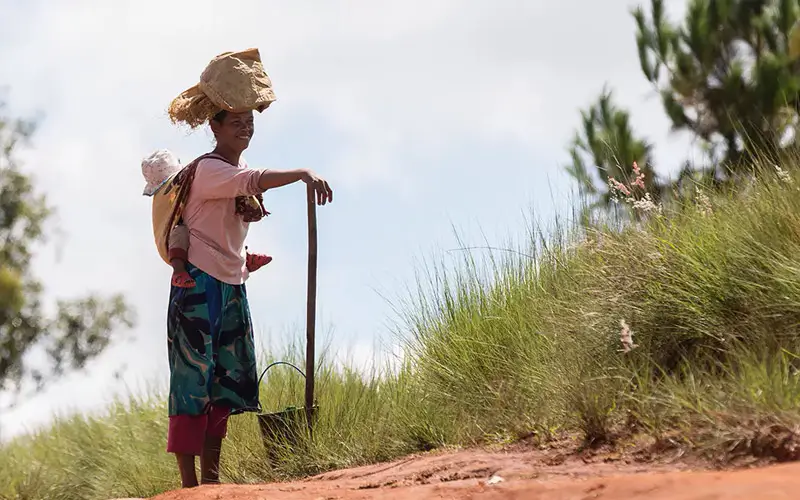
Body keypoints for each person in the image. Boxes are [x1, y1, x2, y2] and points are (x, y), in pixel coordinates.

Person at [165, 108, 333, 488]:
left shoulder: (233, 173)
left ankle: (211, 481)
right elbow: (255, 180)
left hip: (231, 285)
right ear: (215, 127)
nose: (245, 129)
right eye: (236, 123)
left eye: (250, 123)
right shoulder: (210, 170)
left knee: (226, 382)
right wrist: (303, 174)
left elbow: (239, 202)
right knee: (193, 382)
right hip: (197, 285)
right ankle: (189, 488)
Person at [141, 149, 273, 288]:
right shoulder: (162, 197)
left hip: (202, 227)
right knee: (179, 233)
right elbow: (167, 221)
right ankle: (178, 271)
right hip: (183, 235)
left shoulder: (187, 182)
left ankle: (244, 256)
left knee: (220, 219)